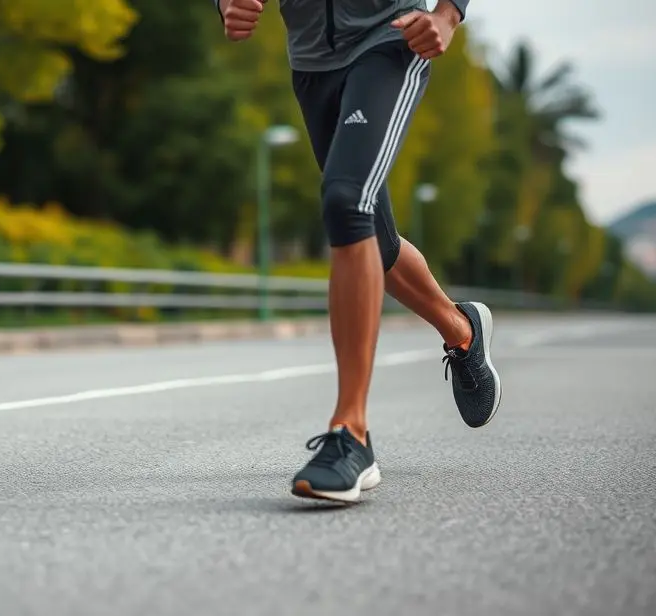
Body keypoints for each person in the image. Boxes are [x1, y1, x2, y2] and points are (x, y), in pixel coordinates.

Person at [215, 0, 502, 503]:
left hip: (390, 38)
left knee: (346, 203)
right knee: (377, 242)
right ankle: (462, 330)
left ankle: (352, 435)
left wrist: (447, 16)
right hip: (310, 59)